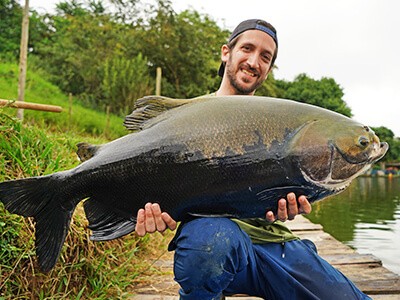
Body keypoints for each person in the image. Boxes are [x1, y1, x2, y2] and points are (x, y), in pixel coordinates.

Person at [134, 19, 371, 300]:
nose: (253, 61)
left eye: (265, 57)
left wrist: (293, 201)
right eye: (247, 48)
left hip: (275, 243)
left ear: (268, 69)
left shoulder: (278, 121)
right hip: (214, 243)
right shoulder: (189, 118)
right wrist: (150, 211)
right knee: (208, 244)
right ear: (226, 52)